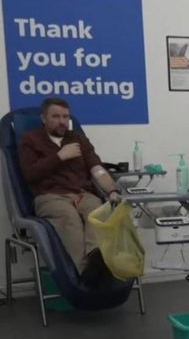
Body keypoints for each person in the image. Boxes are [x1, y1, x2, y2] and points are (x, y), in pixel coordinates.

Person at [18, 97, 121, 274]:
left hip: (81, 194)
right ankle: (79, 274)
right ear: (44, 118)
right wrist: (59, 157)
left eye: (65, 117)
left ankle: (96, 263)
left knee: (97, 212)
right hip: (50, 196)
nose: (62, 122)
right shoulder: (31, 140)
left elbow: (97, 169)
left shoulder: (77, 139)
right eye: (56, 116)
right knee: (69, 219)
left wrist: (112, 190)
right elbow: (30, 174)